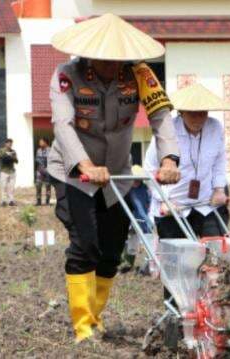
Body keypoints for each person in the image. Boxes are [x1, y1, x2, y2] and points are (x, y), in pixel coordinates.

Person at [47, 14, 180, 342]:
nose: (110, 65)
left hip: (118, 175)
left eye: (117, 59)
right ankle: (82, 327)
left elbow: (161, 117)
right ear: (89, 52)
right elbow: (62, 125)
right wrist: (86, 165)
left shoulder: (140, 75)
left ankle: (95, 317)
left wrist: (169, 159)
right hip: (73, 173)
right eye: (104, 58)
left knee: (110, 251)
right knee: (85, 245)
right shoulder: (67, 75)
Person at [145, 83, 230, 241]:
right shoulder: (167, 131)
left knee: (216, 250)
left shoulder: (215, 128)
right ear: (181, 112)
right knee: (180, 257)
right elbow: (150, 169)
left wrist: (219, 189)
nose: (198, 119)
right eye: (192, 114)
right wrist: (164, 200)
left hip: (206, 202)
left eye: (202, 113)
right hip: (173, 205)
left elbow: (219, 162)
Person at [119, 165, 152, 273]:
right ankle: (123, 263)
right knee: (127, 241)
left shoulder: (145, 190)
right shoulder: (125, 189)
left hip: (142, 220)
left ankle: (143, 266)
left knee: (144, 243)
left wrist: (148, 218)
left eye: (138, 179)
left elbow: (149, 204)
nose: (136, 181)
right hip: (127, 219)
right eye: (134, 179)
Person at [0, 138, 18, 206]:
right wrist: (4, 155)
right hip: (4, 171)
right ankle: (3, 201)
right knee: (4, 187)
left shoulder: (13, 151)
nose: (10, 144)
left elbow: (17, 161)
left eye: (11, 143)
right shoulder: (1, 150)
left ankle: (11, 200)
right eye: (8, 143)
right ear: (5, 144)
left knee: (11, 187)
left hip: (12, 171)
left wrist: (12, 157)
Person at [35, 137, 52, 206]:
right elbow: (37, 159)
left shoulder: (51, 150)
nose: (40, 143)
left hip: (48, 170)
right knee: (38, 185)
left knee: (48, 186)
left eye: (41, 142)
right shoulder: (38, 150)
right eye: (39, 142)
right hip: (39, 171)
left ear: (45, 142)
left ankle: (47, 201)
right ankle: (39, 201)